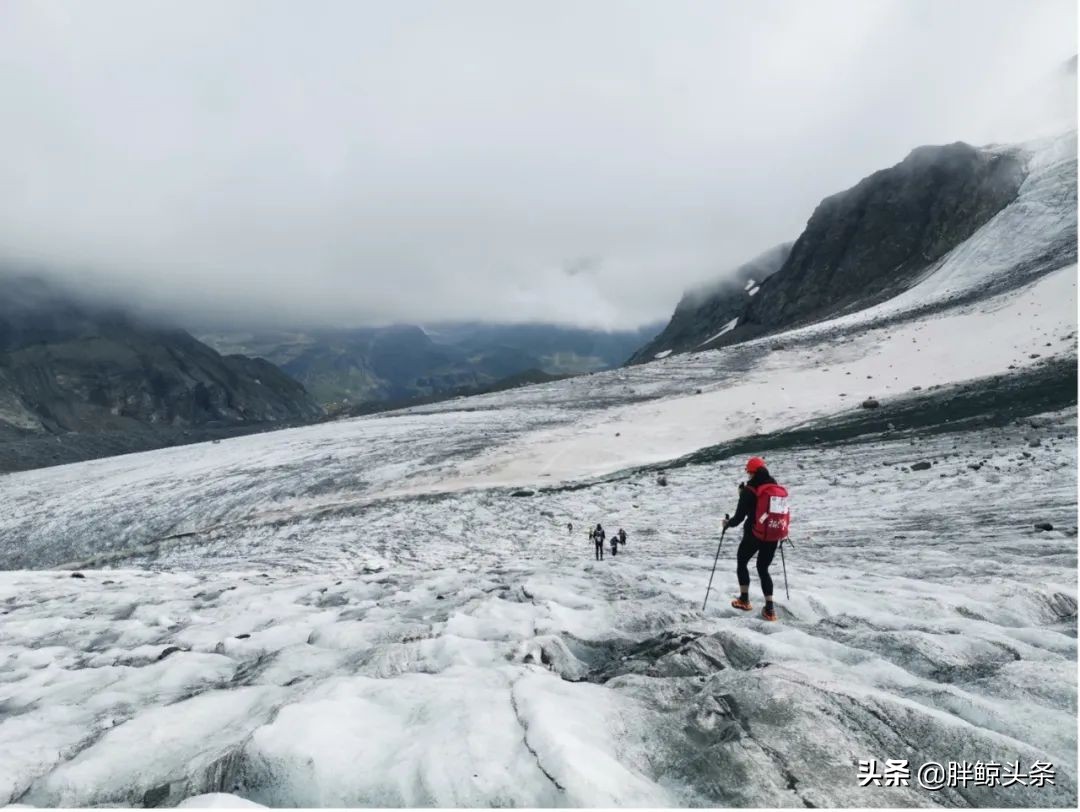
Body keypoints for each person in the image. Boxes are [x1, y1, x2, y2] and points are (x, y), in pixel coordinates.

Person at [722, 457, 784, 621]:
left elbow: (739, 518)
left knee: (742, 561)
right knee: (763, 569)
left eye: (748, 472)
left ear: (751, 472)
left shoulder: (749, 490)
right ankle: (770, 610)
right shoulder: (774, 487)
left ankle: (744, 600)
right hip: (772, 535)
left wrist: (727, 524)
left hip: (754, 534)